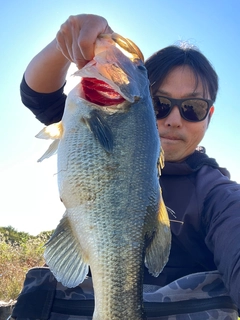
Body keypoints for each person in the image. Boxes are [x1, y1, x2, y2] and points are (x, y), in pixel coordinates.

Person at [15, 13, 240, 319]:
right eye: (160, 103)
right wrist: (64, 45)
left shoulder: (218, 194)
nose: (174, 119)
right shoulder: (95, 114)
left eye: (193, 108)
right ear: (144, 99)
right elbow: (37, 96)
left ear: (209, 115)